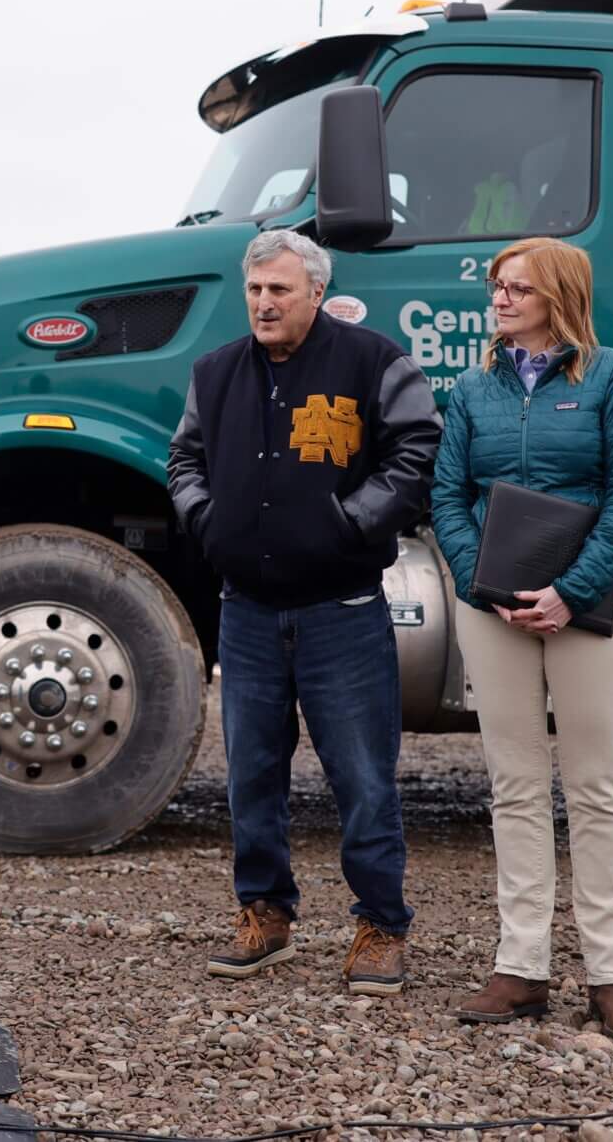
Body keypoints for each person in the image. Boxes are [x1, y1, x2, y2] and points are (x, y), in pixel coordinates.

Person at [167, 230, 441, 994]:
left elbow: (416, 451)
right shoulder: (215, 373)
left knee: (363, 779)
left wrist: (349, 523)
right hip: (247, 614)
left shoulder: (373, 361)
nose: (263, 303)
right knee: (251, 777)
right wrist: (208, 523)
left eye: (279, 290)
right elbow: (183, 459)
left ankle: (382, 925)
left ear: (316, 293)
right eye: (255, 290)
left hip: (342, 612)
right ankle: (265, 916)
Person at [430, 236, 613, 1045]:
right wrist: (483, 586)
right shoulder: (470, 389)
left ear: (557, 295)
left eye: (516, 288)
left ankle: (612, 976)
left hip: (593, 609)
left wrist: (571, 592)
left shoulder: (610, 376)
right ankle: (521, 967)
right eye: (497, 287)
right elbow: (448, 497)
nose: (499, 299)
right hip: (496, 616)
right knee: (515, 788)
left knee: (596, 790)